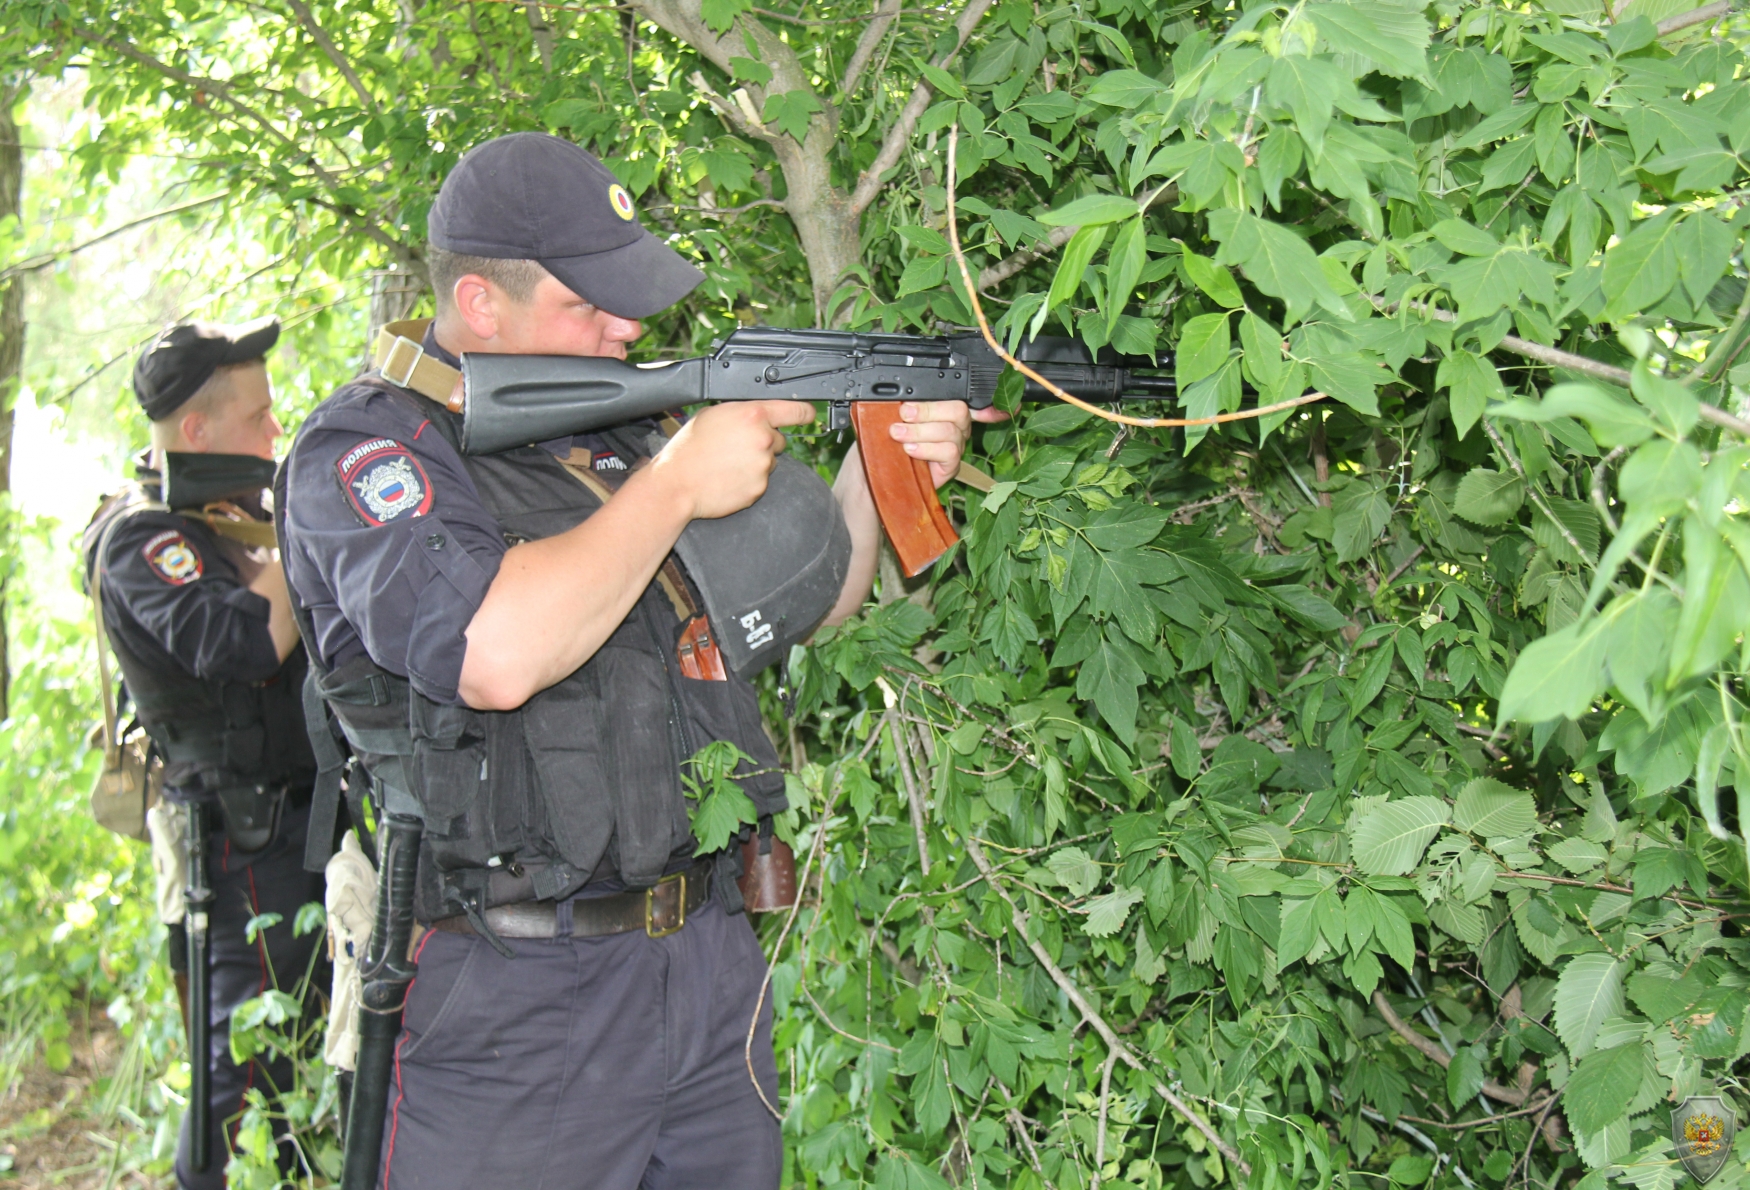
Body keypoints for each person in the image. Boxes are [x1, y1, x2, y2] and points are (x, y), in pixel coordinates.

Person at [278, 132, 993, 1189]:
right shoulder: (370, 455)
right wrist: (671, 486)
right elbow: (493, 653)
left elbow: (806, 607)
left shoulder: (624, 430)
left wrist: (878, 461)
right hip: (513, 987)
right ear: (481, 303)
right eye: (590, 303)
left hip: (701, 961)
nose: (629, 325)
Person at [82, 319, 325, 1189]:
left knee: (304, 1064)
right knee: (239, 1080)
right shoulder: (146, 542)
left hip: (304, 831)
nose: (273, 430)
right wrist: (304, 524)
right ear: (197, 430)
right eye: (259, 417)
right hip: (240, 846)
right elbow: (248, 643)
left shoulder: (232, 520)